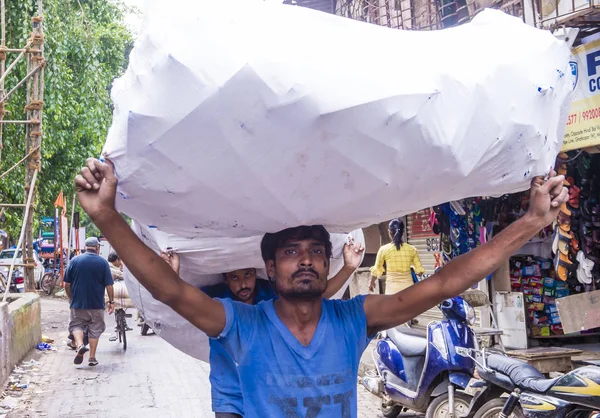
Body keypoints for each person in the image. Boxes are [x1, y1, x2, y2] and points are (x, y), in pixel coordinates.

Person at [75, 158, 567, 416]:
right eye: (291, 251)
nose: (306, 258)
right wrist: (108, 217)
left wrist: (529, 223)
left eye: (315, 249)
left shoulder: (354, 318)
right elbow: (170, 291)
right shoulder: (241, 325)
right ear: (270, 265)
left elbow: (442, 282)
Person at [161, 241, 364, 418]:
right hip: (229, 394)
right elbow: (182, 300)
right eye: (234, 278)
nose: (243, 284)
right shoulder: (215, 302)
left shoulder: (271, 297)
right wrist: (171, 276)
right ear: (225, 279)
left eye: (248, 275)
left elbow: (313, 299)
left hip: (267, 394)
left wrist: (348, 268)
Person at [64, 236, 115, 367]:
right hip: (97, 304)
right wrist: (111, 301)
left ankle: (80, 345)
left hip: (78, 303)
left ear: (85, 247)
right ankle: (92, 357)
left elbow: (66, 284)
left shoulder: (74, 261)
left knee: (76, 325)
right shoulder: (103, 263)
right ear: (97, 248)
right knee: (95, 329)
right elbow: (109, 285)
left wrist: (70, 298)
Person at [368, 218, 424, 294]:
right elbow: (419, 272)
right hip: (409, 291)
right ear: (403, 232)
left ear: (389, 232)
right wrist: (412, 268)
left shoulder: (384, 249)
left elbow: (376, 269)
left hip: (391, 291)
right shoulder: (412, 249)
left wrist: (371, 282)